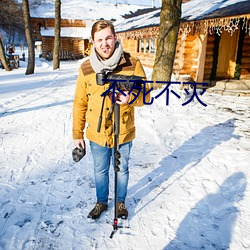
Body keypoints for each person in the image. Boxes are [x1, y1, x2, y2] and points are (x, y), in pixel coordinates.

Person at [72, 20, 150, 220]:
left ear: (115, 38)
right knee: (100, 170)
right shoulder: (86, 68)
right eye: (99, 40)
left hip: (123, 131)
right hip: (97, 133)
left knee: (121, 168)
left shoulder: (132, 64)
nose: (104, 43)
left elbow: (147, 95)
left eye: (108, 38)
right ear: (93, 42)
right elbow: (80, 102)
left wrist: (130, 98)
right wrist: (77, 134)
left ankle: (121, 202)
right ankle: (101, 202)